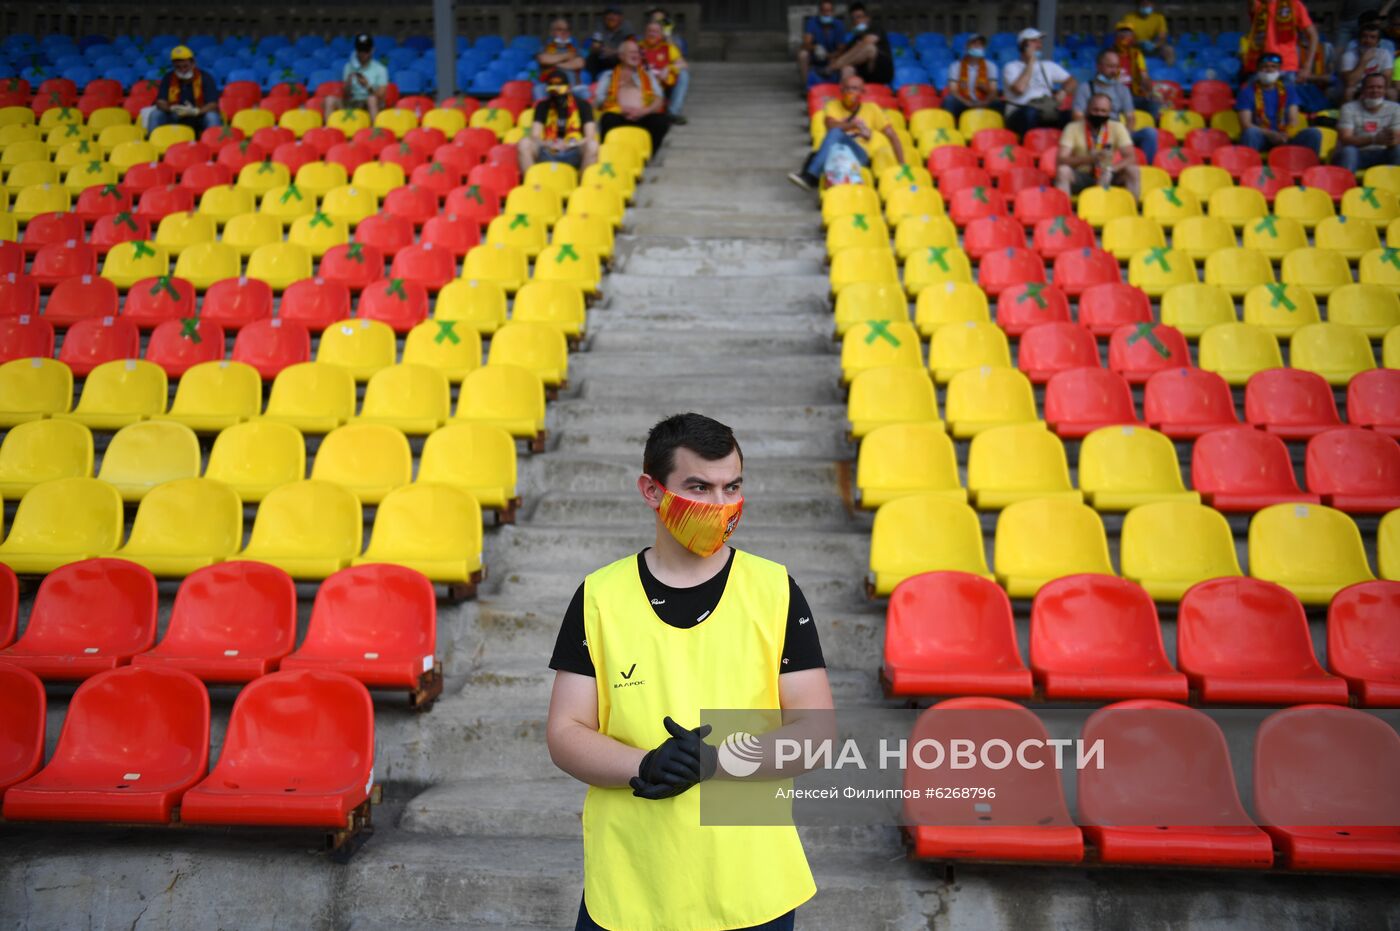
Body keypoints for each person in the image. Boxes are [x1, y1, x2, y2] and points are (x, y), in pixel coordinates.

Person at [547, 413, 830, 931]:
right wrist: (646, 762)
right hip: (632, 881)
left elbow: (816, 732)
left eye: (733, 487)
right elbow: (566, 732)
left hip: (750, 884)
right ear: (653, 492)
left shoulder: (775, 590)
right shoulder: (599, 597)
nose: (720, 506)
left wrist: (717, 762)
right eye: (699, 486)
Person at [788, 72, 905, 190]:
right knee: (832, 136)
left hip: (859, 154)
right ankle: (812, 176)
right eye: (847, 88)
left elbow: (892, 136)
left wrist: (902, 165)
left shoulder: (872, 109)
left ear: (862, 92)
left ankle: (810, 177)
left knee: (835, 134)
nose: (850, 92)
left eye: (854, 89)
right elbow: (830, 125)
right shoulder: (832, 105)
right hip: (837, 152)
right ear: (841, 90)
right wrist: (851, 125)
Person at [1072, 49, 1161, 163]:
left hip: (1117, 132)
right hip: (1094, 132)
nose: (1114, 71)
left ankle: (1147, 169)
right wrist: (1092, 132)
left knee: (1150, 133)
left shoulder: (1122, 89)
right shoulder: (1085, 88)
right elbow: (1077, 116)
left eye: (1116, 67)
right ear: (1099, 67)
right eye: (1110, 66)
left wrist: (1125, 135)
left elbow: (1130, 117)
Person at [1056, 92, 1142, 198]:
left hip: (1108, 174)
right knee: (1062, 171)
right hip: (1082, 175)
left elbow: (1131, 157)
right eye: (1095, 110)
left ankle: (1132, 210)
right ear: (1087, 109)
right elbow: (1061, 160)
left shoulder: (1118, 127)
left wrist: (1111, 169)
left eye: (1103, 111)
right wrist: (1089, 159)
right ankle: (1065, 211)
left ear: (1109, 112)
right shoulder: (1072, 128)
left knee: (1133, 170)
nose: (1099, 114)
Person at [1236, 52, 1324, 152]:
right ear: (1258, 70)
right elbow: (1246, 124)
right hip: (1261, 137)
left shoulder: (1289, 90)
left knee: (1314, 133)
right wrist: (1270, 134)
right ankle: (1248, 165)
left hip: (1284, 136)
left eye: (1274, 67)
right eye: (1264, 66)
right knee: (1250, 132)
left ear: (1279, 71)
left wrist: (1285, 135)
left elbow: (1293, 120)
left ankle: (1308, 166)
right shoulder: (1247, 92)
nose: (1269, 70)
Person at [595, 38, 670, 154]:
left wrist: (644, 111)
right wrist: (620, 109)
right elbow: (599, 100)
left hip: (643, 116)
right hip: (619, 115)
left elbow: (659, 98)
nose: (636, 55)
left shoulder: (647, 75)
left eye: (637, 52)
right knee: (607, 118)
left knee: (661, 121)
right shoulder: (609, 75)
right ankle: (608, 153)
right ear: (621, 56)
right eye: (631, 52)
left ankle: (648, 155)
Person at [519, 69, 599, 171]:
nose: (556, 92)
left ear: (569, 88)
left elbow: (590, 136)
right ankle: (530, 183)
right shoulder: (542, 106)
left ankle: (584, 184)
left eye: (559, 88)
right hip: (549, 150)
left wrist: (569, 144)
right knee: (524, 143)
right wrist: (549, 144)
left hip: (573, 150)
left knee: (593, 145)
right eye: (552, 88)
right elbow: (535, 136)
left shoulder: (583, 105)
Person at [1003, 27, 1078, 135]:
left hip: (1045, 110)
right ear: (1023, 46)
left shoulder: (1048, 65)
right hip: (1018, 113)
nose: (1039, 45)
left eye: (1039, 42)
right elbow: (1019, 89)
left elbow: (1072, 81)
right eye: (1034, 42)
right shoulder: (1011, 67)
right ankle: (1027, 147)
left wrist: (1063, 92)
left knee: (1070, 115)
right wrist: (1030, 63)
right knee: (1030, 113)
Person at [1335, 72, 1400, 170]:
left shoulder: (1395, 108)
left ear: (1385, 90)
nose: (1375, 90)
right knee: (1349, 151)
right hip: (1358, 154)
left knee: (1398, 149)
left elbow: (1395, 137)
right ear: (1362, 90)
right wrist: (1374, 139)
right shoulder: (1348, 108)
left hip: (1383, 153)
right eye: (1371, 87)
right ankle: (1346, 183)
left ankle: (1394, 183)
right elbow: (1345, 140)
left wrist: (1392, 139)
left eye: (1380, 87)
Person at [150, 45, 221, 132]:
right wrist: (171, 108)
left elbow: (213, 104)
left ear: (193, 63)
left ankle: (213, 143)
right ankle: (153, 141)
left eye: (185, 66)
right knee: (156, 114)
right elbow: (160, 102)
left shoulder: (206, 78)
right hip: (175, 115)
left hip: (199, 116)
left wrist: (196, 111)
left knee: (212, 116)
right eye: (178, 67)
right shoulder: (168, 78)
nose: (182, 70)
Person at [1243, 0, 1318, 80]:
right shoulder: (1258, 4)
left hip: (1286, 67)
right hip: (1260, 67)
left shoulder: (1294, 4)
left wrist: (1307, 66)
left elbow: (1313, 36)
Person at [323, 34, 389, 123]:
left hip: (371, 103)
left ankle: (376, 131)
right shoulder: (349, 67)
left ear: (372, 50)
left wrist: (367, 86)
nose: (362, 54)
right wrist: (348, 84)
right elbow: (346, 96)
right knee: (329, 100)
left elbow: (381, 96)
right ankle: (328, 131)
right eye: (360, 50)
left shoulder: (380, 69)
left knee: (371, 99)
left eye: (366, 51)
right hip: (353, 101)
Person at [827, 3, 894, 87]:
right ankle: (845, 94)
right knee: (847, 68)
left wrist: (837, 63)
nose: (856, 21)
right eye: (853, 18)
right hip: (863, 73)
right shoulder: (856, 37)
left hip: (881, 71)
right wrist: (833, 57)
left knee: (869, 48)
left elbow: (869, 41)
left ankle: (832, 68)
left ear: (867, 18)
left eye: (859, 17)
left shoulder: (874, 27)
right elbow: (845, 53)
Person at [641, 20, 691, 124]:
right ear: (645, 33)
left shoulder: (668, 48)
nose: (652, 34)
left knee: (683, 75)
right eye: (649, 31)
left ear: (661, 34)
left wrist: (668, 68)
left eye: (655, 31)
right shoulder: (638, 46)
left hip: (664, 84)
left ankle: (673, 113)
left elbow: (684, 65)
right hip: (642, 85)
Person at [943, 34, 1001, 119]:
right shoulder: (955, 66)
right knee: (949, 101)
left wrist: (985, 101)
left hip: (983, 100)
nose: (977, 47)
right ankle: (952, 127)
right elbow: (953, 90)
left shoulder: (991, 66)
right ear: (967, 47)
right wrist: (966, 102)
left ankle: (996, 129)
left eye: (980, 44)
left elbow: (993, 91)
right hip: (963, 101)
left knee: (998, 103)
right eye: (974, 44)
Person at [1112, 21, 1161, 119]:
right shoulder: (1110, 54)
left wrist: (1150, 91)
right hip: (1115, 96)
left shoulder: (1137, 54)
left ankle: (1152, 128)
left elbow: (1144, 76)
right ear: (1116, 36)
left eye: (1128, 33)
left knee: (1153, 103)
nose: (1124, 36)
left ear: (1133, 36)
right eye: (1121, 33)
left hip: (1134, 95)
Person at [1341, 18, 1396, 101]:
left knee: (1392, 92)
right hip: (1358, 88)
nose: (1368, 40)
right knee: (1348, 91)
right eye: (1364, 36)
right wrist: (1364, 61)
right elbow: (1350, 83)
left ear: (1378, 42)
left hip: (1377, 88)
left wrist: (1374, 89)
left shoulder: (1385, 54)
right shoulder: (1349, 55)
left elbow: (1387, 81)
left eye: (1372, 37)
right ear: (1359, 39)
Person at [799, 1, 848, 87]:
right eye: (823, 11)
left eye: (829, 11)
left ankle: (840, 89)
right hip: (816, 57)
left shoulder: (839, 24)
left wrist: (830, 56)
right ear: (819, 12)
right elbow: (805, 44)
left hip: (833, 57)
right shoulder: (812, 22)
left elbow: (842, 49)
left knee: (845, 64)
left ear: (833, 12)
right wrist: (815, 47)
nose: (826, 13)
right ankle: (807, 87)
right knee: (802, 54)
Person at [536, 18, 587, 93]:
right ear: (552, 32)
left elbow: (579, 63)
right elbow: (543, 59)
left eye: (567, 30)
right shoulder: (545, 47)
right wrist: (567, 56)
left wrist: (553, 63)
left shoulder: (574, 48)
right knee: (537, 89)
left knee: (584, 91)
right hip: (549, 85)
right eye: (560, 29)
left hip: (571, 85)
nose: (564, 32)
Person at [1120, 1, 1176, 66]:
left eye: (1148, 3)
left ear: (1153, 5)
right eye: (1143, 3)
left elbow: (1162, 38)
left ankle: (1169, 72)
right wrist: (1139, 43)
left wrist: (1155, 45)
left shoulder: (1159, 18)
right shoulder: (1129, 18)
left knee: (1169, 50)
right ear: (1139, 4)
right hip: (1134, 48)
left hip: (1153, 48)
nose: (1146, 6)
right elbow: (1125, 38)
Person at [587, 6, 633, 77]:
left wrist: (614, 51)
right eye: (608, 14)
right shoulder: (600, 26)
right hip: (603, 58)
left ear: (621, 18)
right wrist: (599, 49)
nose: (611, 17)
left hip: (619, 58)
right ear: (605, 17)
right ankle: (593, 82)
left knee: (626, 57)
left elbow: (631, 48)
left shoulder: (627, 27)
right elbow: (595, 45)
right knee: (592, 57)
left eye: (615, 15)